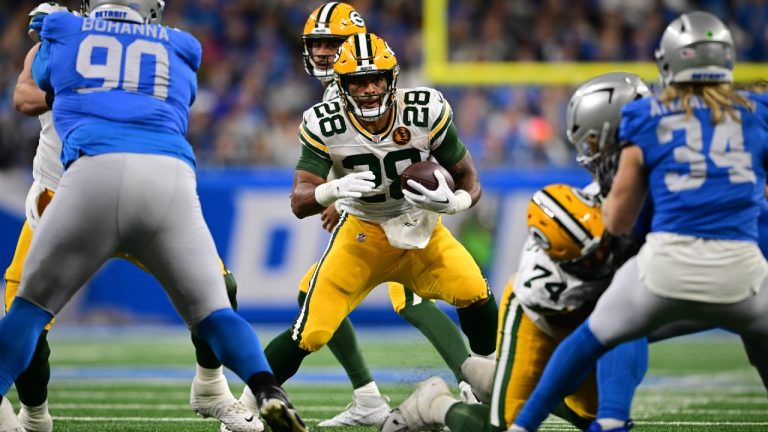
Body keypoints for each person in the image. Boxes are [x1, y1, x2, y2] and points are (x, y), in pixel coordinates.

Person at [0, 1, 306, 431]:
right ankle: (266, 388)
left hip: (86, 184)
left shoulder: (61, 30)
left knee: (28, 311)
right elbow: (24, 97)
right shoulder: (180, 45)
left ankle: (211, 388)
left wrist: (68, 68)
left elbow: (43, 84)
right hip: (145, 181)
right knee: (213, 309)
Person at [511, 11, 768, 431]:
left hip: (668, 268)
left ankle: (540, 424)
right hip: (746, 271)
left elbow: (617, 219)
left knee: (597, 330)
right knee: (761, 338)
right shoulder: (757, 111)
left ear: (668, 64)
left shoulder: (646, 117)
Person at [381, 73, 652, 432]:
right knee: (512, 424)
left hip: (594, 319)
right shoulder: (582, 211)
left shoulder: (658, 186)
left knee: (584, 413)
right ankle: (436, 404)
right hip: (540, 314)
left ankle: (482, 377)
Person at [261, 32, 498, 399]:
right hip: (362, 231)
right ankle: (246, 402)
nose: (369, 89)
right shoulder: (325, 121)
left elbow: (469, 178)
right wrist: (332, 191)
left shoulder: (425, 109)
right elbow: (299, 201)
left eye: (376, 79)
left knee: (475, 293)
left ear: (393, 79)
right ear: (342, 86)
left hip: (419, 225)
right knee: (311, 331)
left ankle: (487, 382)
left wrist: (455, 204)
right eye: (358, 81)